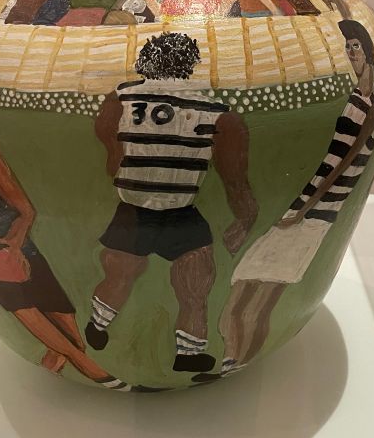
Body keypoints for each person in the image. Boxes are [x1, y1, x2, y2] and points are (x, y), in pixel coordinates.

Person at [0, 38, 129, 389]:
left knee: (68, 326)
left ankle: (62, 358)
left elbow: (25, 208)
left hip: (19, 244)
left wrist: (17, 242)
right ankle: (93, 370)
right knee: (33, 316)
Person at [200, 19, 374, 382]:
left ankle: (236, 357)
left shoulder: (372, 102)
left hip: (313, 212)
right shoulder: (358, 97)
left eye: (356, 47)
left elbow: (345, 163)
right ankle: (235, 356)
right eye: (347, 47)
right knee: (251, 288)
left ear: (367, 51)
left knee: (257, 291)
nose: (351, 53)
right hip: (309, 208)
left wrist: (301, 208)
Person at [87, 33, 257, 374]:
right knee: (195, 283)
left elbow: (108, 143)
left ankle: (98, 324)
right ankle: (188, 353)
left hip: (133, 208)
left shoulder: (122, 97)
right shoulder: (214, 112)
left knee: (120, 272)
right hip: (181, 211)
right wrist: (245, 217)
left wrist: (123, 164)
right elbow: (233, 176)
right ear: (190, 64)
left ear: (146, 62)